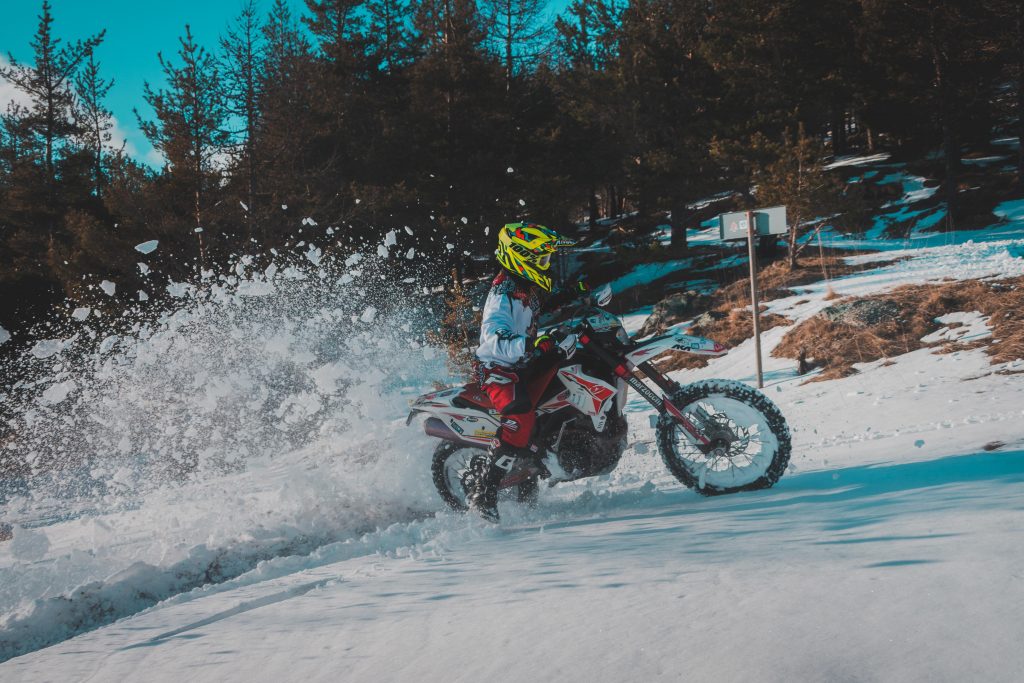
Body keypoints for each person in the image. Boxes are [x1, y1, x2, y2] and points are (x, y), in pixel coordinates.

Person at [467, 222, 582, 522]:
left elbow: (542, 307)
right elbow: (494, 340)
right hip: (497, 367)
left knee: (562, 386)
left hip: (522, 361)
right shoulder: (501, 295)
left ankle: (536, 467)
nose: (546, 265)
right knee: (521, 415)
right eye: (541, 259)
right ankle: (485, 493)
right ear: (521, 257)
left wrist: (577, 294)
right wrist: (537, 343)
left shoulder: (523, 287)